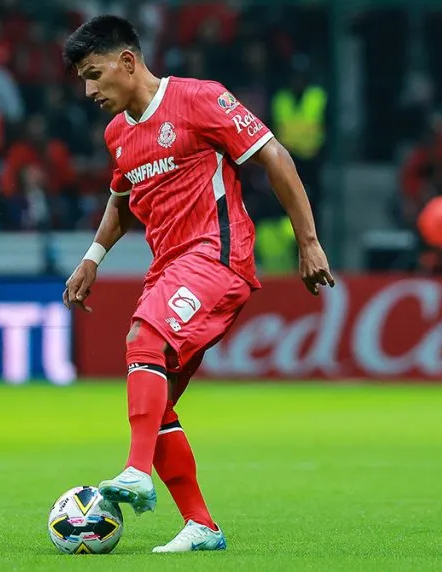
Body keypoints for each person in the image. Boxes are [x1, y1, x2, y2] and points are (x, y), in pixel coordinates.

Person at [61, 16, 335, 553]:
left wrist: (308, 242)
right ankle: (202, 526)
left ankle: (135, 471)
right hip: (168, 268)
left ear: (127, 61)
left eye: (94, 75)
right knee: (157, 399)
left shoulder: (201, 99)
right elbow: (121, 199)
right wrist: (93, 257)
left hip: (216, 255)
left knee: (144, 338)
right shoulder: (118, 133)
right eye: (82, 81)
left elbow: (275, 157)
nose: (89, 91)